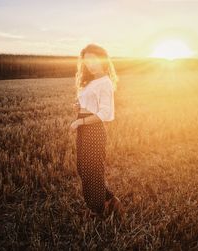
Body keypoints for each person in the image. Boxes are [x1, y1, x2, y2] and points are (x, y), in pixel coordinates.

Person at [70, 43, 125, 220]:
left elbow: (106, 114)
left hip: (93, 130)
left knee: (93, 170)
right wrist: (80, 106)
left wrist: (81, 121)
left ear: (102, 59)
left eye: (93, 59)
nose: (90, 64)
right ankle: (109, 199)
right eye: (86, 61)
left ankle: (97, 210)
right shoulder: (91, 81)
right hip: (84, 128)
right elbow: (89, 105)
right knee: (83, 168)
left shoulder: (105, 82)